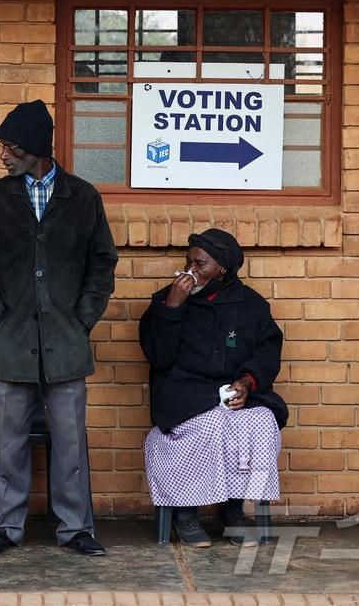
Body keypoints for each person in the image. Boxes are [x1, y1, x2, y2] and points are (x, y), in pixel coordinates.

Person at [0, 99, 118, 556]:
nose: (4, 156)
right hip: (12, 342)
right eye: (2, 147)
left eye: (11, 147)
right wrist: (0, 317)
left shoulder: (83, 197)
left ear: (36, 147)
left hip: (66, 342)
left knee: (70, 441)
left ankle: (75, 530)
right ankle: (5, 528)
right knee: (9, 440)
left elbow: (102, 263)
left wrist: (82, 318)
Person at [139, 229, 287, 548]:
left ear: (222, 268)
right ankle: (185, 512)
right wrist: (172, 307)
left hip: (238, 393)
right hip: (185, 394)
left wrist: (247, 382)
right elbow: (158, 357)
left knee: (260, 423)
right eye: (188, 262)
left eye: (200, 264)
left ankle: (234, 509)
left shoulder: (251, 305)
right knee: (210, 425)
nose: (190, 271)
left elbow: (267, 350)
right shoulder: (166, 299)